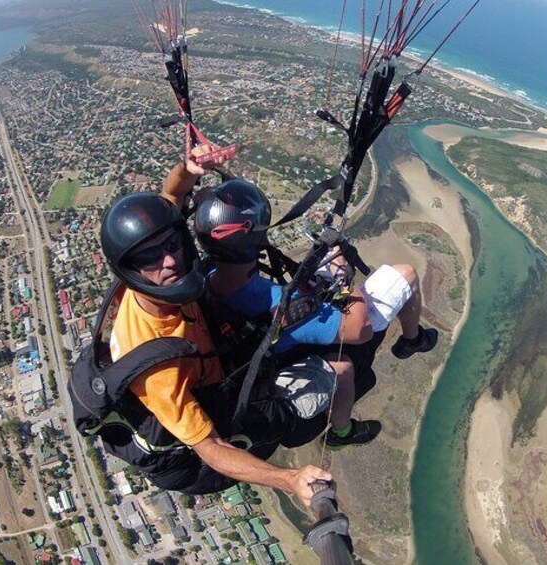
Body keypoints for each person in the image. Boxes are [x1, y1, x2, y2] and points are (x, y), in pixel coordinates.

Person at [95, 153, 332, 507]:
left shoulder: (157, 283)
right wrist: (289, 478)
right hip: (195, 454)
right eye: (151, 257)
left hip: (210, 366)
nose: (170, 260)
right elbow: (212, 448)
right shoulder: (155, 366)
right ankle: (322, 427)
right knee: (326, 377)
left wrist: (188, 169)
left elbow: (171, 198)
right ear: (130, 269)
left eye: (171, 245)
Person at [193, 179, 439, 447]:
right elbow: (360, 328)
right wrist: (344, 276)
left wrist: (206, 199)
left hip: (254, 343)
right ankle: (411, 341)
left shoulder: (203, 275)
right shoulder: (277, 304)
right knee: (405, 275)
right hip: (299, 346)